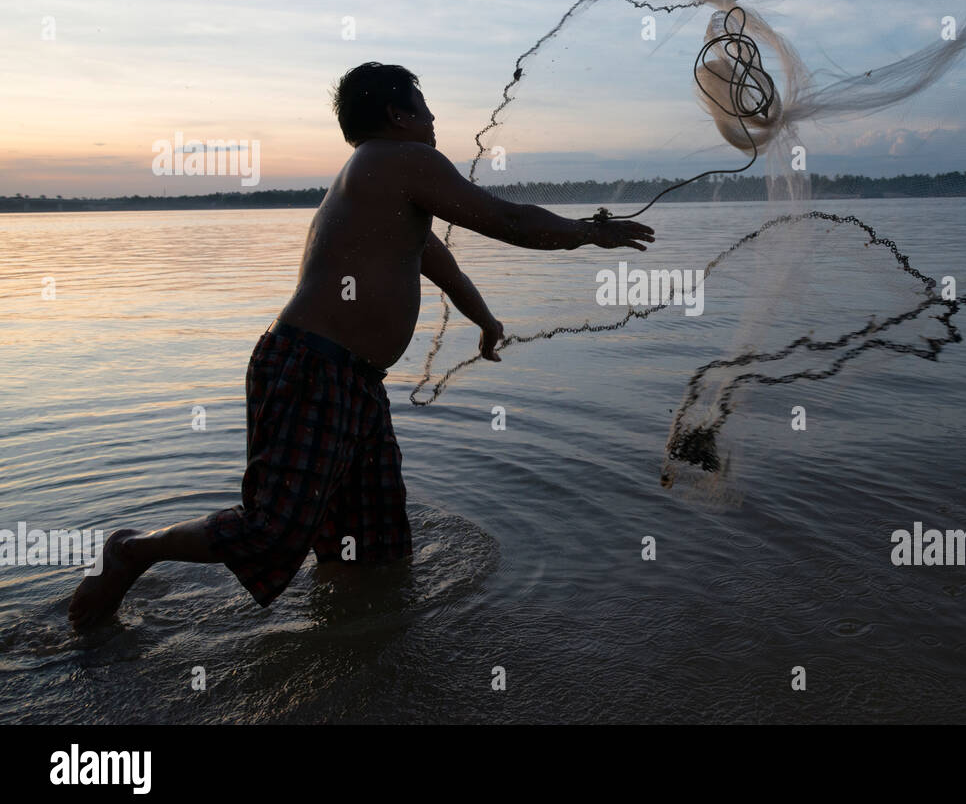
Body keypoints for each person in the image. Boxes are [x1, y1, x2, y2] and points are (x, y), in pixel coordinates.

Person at [68, 62, 654, 629]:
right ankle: (133, 549)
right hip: (311, 368)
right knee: (272, 530)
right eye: (426, 111)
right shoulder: (399, 160)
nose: (433, 123)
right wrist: (589, 233)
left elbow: (435, 260)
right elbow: (509, 221)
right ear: (399, 116)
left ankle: (358, 649)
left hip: (353, 382)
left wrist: (485, 318)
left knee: (376, 547)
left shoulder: (382, 183)